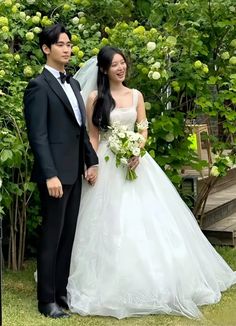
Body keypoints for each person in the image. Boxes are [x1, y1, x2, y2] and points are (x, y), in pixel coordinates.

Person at [67, 46, 236, 319]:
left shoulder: (136, 95)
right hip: (108, 163)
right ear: (104, 70)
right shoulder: (96, 98)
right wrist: (92, 164)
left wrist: (137, 149)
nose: (121, 68)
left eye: (123, 63)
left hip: (136, 162)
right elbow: (93, 136)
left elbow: (143, 128)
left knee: (151, 219)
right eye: (114, 65)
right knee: (106, 223)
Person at [23, 24, 98, 319]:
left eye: (69, 44)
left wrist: (91, 161)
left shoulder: (75, 85)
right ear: (46, 48)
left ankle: (61, 293)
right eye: (61, 44)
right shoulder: (38, 87)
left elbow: (80, 130)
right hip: (54, 175)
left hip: (75, 173)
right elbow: (38, 135)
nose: (67, 49)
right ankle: (46, 301)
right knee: (52, 236)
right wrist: (50, 173)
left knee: (68, 236)